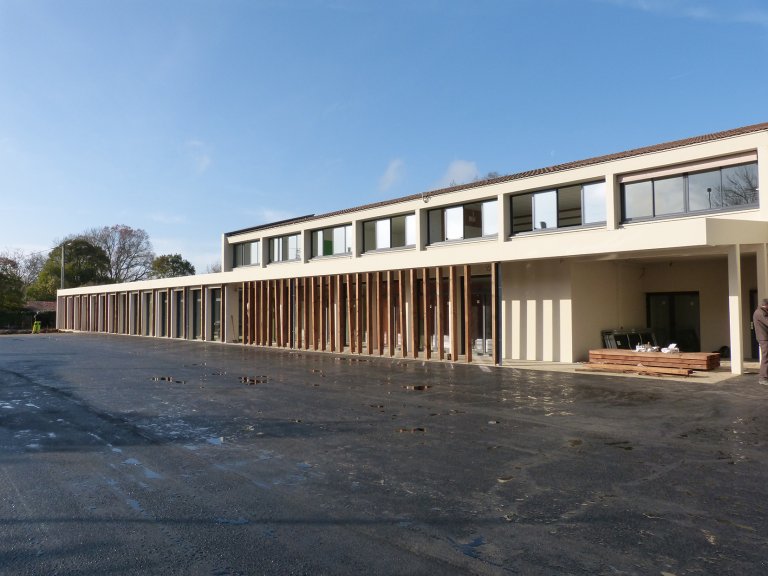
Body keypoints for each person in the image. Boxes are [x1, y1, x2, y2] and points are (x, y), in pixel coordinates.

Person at [753, 298, 768, 385]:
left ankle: (765, 376)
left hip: (764, 338)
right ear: (766, 305)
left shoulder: (761, 312)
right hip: (764, 338)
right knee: (765, 358)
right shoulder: (760, 313)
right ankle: (763, 378)